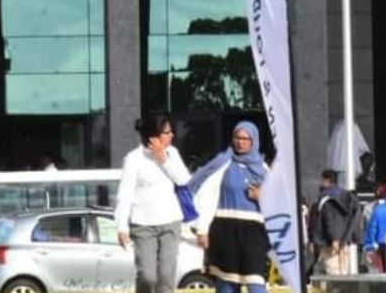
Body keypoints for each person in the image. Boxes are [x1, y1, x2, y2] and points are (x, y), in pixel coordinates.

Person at [189, 121, 271, 293]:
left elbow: (277, 202)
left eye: (245, 139)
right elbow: (207, 196)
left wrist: (262, 196)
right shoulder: (223, 164)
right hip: (225, 231)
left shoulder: (264, 169)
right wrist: (202, 229)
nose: (240, 142)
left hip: (254, 234)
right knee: (226, 285)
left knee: (256, 284)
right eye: (237, 138)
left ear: (254, 141)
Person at [114, 114, 192, 293]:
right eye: (167, 132)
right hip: (143, 224)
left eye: (171, 132)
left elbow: (183, 180)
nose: (171, 135)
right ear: (153, 136)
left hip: (170, 221)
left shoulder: (172, 153)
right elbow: (124, 194)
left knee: (166, 276)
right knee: (147, 276)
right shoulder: (133, 158)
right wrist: (122, 226)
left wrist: (163, 160)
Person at [310, 169, 358, 276]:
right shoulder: (348, 196)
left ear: (326, 180)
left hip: (330, 242)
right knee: (344, 273)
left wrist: (334, 238)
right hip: (345, 240)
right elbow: (354, 216)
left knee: (333, 272)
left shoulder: (326, 197)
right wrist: (351, 236)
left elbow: (329, 219)